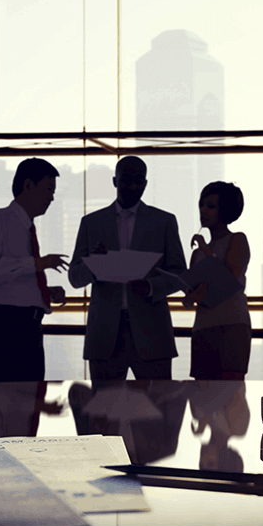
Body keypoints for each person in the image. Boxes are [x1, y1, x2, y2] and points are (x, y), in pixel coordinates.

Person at [68, 156, 187, 380]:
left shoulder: (164, 222)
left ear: (145, 184)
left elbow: (179, 273)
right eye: (127, 180)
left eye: (139, 181)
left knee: (158, 410)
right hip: (104, 334)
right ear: (115, 181)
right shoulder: (91, 223)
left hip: (152, 332)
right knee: (104, 410)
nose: (133, 186)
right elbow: (74, 277)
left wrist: (151, 286)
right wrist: (95, 264)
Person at [0, 158, 67, 383]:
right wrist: (37, 264)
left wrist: (42, 290)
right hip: (1, 327)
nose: (52, 197)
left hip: (27, 327)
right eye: (49, 189)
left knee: (29, 405)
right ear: (28, 185)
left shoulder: (27, 226)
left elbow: (8, 281)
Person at [181, 181, 251, 380]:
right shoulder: (197, 255)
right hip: (203, 326)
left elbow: (228, 279)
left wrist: (206, 249)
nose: (203, 211)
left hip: (232, 325)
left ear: (225, 211)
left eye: (210, 206)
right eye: (201, 205)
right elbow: (188, 300)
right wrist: (190, 297)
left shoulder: (237, 240)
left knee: (232, 395)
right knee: (202, 398)